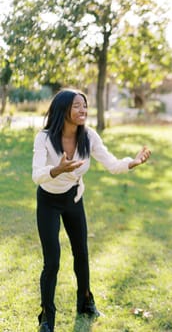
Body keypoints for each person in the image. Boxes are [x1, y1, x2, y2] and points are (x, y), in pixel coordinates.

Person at [32, 89, 151, 332]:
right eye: (77, 105)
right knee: (52, 261)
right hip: (48, 201)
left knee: (82, 254)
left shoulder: (89, 137)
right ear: (63, 109)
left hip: (74, 198)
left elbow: (112, 164)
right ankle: (46, 316)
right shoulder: (43, 138)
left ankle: (85, 302)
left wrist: (133, 162)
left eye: (85, 106)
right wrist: (57, 169)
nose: (83, 110)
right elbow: (37, 175)